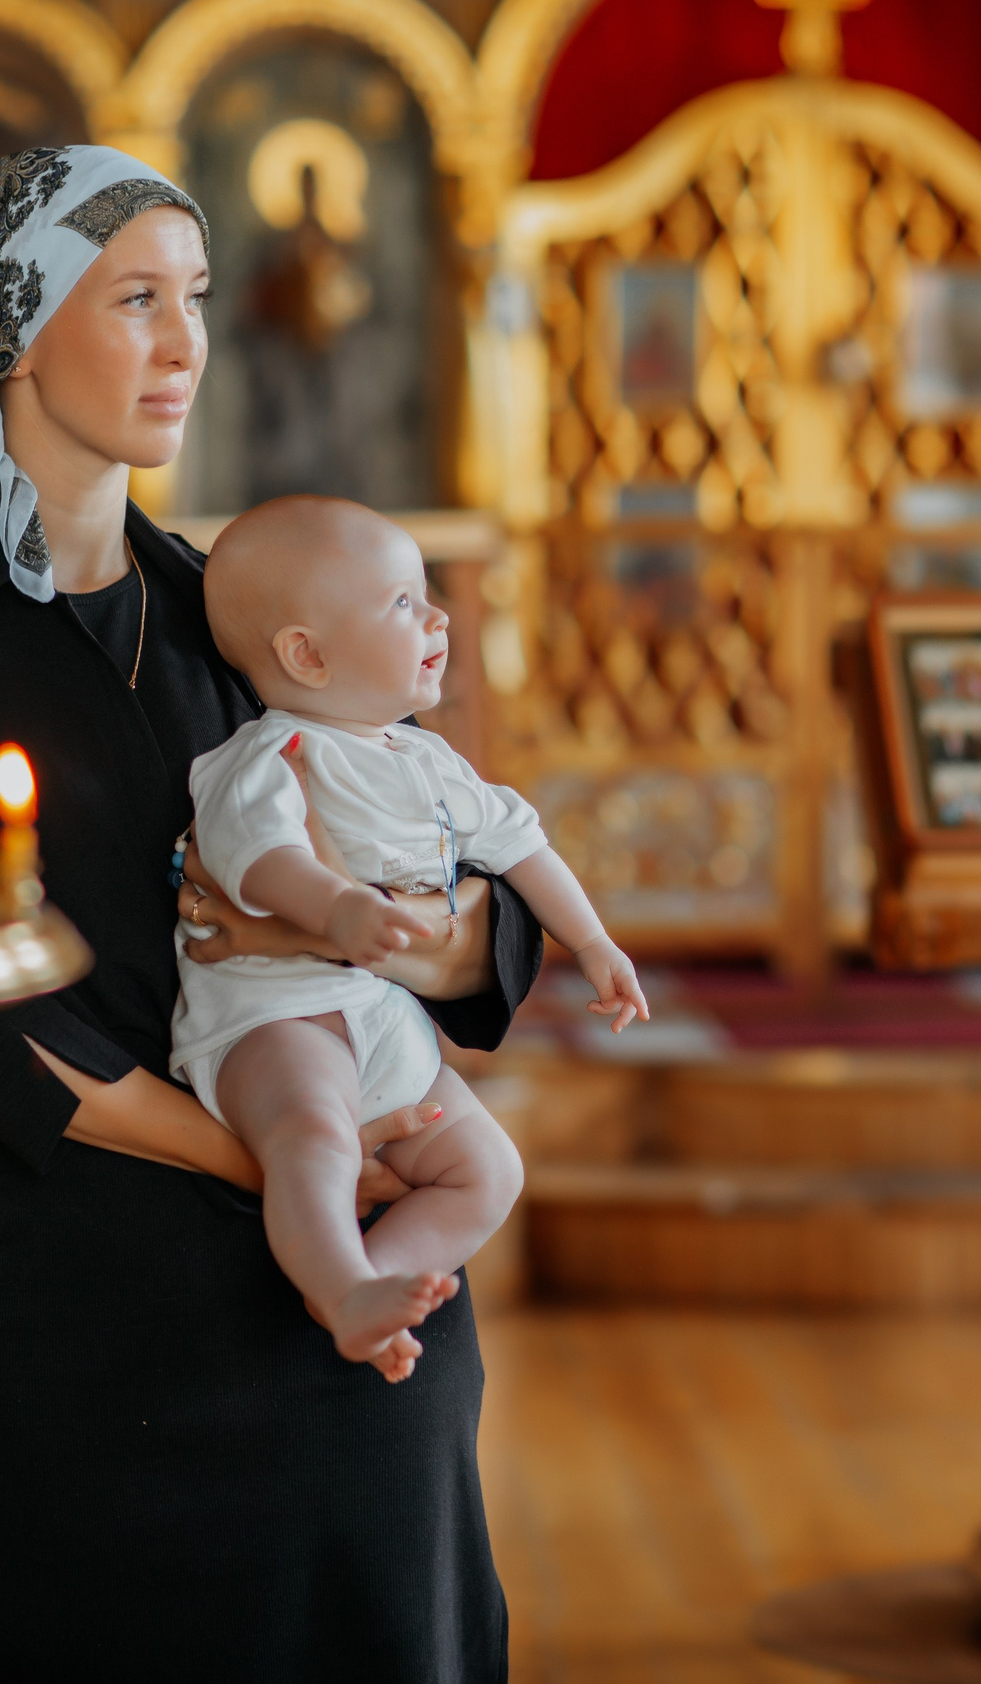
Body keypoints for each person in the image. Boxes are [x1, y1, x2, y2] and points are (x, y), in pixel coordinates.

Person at [0, 146, 539, 1682]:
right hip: (74, 1332)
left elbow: (475, 887)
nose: (188, 342)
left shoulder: (244, 608)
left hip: (353, 1334)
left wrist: (399, 943)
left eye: (193, 297)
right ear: (13, 324)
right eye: (136, 299)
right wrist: (280, 1155)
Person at [177, 497, 646, 1382]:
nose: (435, 616)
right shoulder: (271, 756)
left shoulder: (425, 758)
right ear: (304, 654)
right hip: (275, 1022)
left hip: (386, 1024)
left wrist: (592, 943)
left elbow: (521, 842)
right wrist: (338, 909)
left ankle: (368, 1285)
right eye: (401, 602)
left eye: (428, 595)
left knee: (488, 1169)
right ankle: (343, 1283)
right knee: (312, 1139)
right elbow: (260, 858)